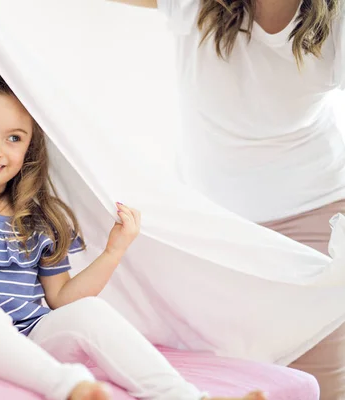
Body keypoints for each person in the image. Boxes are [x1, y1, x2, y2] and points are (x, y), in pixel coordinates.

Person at [0, 43, 264, 400]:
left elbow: (63, 300)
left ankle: (186, 397)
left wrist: (114, 252)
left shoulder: (36, 223)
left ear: (28, 148)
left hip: (27, 339)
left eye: (13, 139)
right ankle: (72, 389)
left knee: (91, 313)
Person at [112, 0, 345, 398]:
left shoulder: (337, 19)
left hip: (317, 208)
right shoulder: (197, 4)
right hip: (218, 222)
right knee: (228, 376)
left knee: (319, 380)